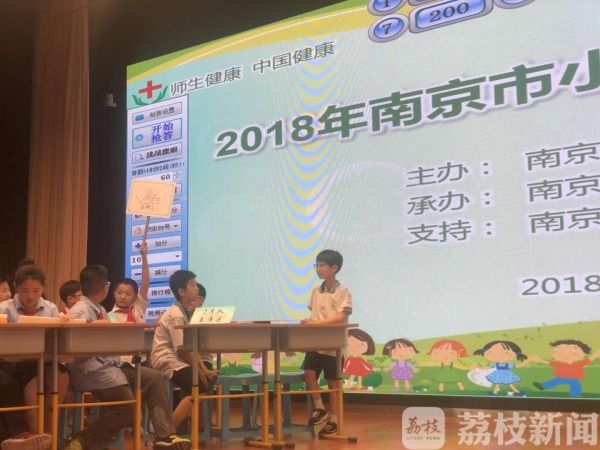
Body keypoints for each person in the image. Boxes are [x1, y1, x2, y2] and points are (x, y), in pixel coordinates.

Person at [66, 265, 189, 450]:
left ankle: (164, 435)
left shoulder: (100, 309)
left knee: (154, 378)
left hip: (112, 365)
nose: (123, 296)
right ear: (106, 288)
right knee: (129, 408)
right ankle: (80, 439)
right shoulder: (81, 311)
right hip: (93, 371)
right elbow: (77, 351)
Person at [0, 265, 69, 433]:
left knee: (62, 374)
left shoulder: (50, 308)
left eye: (36, 291)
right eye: (25, 291)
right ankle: (34, 433)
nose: (30, 296)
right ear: (16, 288)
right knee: (33, 374)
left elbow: (57, 340)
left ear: (43, 288)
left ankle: (51, 433)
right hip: (15, 362)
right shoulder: (4, 308)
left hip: (46, 359)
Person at [151, 271, 216, 429]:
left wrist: (203, 370)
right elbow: (183, 351)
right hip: (167, 360)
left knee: (204, 381)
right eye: (192, 284)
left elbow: (192, 349)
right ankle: (167, 431)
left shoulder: (184, 312)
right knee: (199, 384)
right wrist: (200, 371)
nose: (197, 288)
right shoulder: (176, 315)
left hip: (179, 360)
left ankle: (194, 428)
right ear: (181, 291)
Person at [301, 249, 352, 436]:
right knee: (309, 373)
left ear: (334, 268)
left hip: (333, 345)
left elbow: (341, 317)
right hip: (315, 342)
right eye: (317, 265)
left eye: (322, 265)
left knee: (333, 383)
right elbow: (314, 313)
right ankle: (320, 408)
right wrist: (310, 323)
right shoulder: (316, 290)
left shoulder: (342, 290)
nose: (318, 269)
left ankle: (334, 420)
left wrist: (315, 324)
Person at [531, 340, 600, 397]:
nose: (566, 355)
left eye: (573, 352)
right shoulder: (560, 363)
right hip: (561, 377)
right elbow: (549, 363)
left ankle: (575, 395)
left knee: (575, 385)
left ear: (584, 353)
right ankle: (543, 386)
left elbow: (590, 359)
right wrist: (539, 360)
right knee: (555, 381)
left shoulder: (579, 363)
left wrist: (596, 354)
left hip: (573, 378)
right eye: (559, 351)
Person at [108, 242, 149, 324]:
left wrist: (144, 257)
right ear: (114, 294)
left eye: (128, 294)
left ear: (135, 297)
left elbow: (145, 284)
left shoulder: (138, 306)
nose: (123, 297)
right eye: (119, 293)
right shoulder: (109, 316)